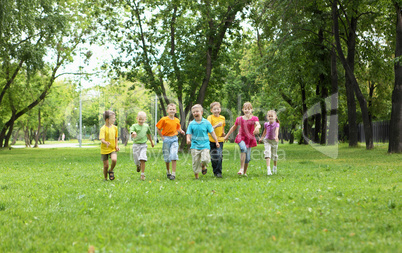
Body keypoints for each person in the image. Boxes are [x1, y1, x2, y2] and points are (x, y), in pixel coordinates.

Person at [224, 102, 260, 176]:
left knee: (248, 159)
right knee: (243, 149)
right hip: (241, 137)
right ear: (243, 110)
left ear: (252, 110)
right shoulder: (239, 119)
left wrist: (257, 127)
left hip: (249, 139)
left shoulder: (254, 118)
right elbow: (234, 127)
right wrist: (227, 135)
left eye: (249, 109)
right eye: (245, 109)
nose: (247, 110)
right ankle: (241, 168)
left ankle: (244, 172)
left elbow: (258, 124)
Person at [187, 104, 220, 179]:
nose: (195, 113)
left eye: (197, 111)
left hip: (205, 144)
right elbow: (188, 133)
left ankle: (203, 165)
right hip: (195, 145)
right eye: (194, 112)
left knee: (205, 159)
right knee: (195, 161)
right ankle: (196, 177)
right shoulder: (191, 124)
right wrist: (188, 139)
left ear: (201, 112)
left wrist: (216, 141)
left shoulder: (206, 123)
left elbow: (212, 132)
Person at [156, 103, 185, 180]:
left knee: (174, 155)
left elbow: (178, 128)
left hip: (174, 139)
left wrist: (181, 131)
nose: (172, 111)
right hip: (166, 139)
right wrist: (162, 137)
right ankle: (168, 171)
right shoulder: (164, 119)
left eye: (173, 109)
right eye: (170, 109)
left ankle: (173, 174)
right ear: (167, 110)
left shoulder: (177, 120)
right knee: (167, 157)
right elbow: (158, 128)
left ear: (175, 111)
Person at [130, 111, 155, 181]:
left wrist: (151, 142)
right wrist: (133, 133)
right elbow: (132, 132)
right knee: (136, 159)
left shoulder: (146, 126)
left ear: (145, 119)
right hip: (136, 145)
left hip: (143, 145)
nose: (141, 121)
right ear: (137, 118)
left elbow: (148, 134)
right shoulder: (134, 126)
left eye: (143, 119)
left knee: (142, 158)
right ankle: (138, 165)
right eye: (140, 119)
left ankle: (142, 175)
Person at [99, 110, 120, 181]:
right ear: (107, 120)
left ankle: (111, 170)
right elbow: (102, 139)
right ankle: (105, 178)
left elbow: (116, 137)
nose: (114, 119)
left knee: (114, 160)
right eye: (113, 118)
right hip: (104, 149)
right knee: (105, 166)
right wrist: (105, 142)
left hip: (112, 148)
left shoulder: (115, 128)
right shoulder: (103, 128)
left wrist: (116, 145)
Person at [207, 102, 225, 178]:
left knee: (219, 155)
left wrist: (223, 133)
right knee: (214, 156)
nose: (216, 110)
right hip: (211, 139)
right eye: (214, 109)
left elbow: (223, 127)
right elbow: (209, 128)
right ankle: (215, 171)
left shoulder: (222, 118)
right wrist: (217, 126)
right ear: (211, 110)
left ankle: (219, 172)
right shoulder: (210, 118)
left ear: (220, 109)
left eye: (218, 109)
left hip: (220, 140)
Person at [259, 110, 280, 175]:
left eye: (272, 116)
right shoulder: (266, 124)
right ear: (267, 117)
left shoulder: (277, 124)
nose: (270, 117)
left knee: (274, 155)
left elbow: (276, 131)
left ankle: (275, 167)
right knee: (267, 153)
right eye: (269, 116)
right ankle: (268, 169)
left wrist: (276, 137)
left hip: (274, 141)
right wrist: (261, 138)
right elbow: (265, 131)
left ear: (275, 117)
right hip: (267, 140)